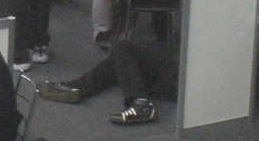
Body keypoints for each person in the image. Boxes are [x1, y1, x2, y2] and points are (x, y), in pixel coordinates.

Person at [38, 39, 177, 125]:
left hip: (182, 77)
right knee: (124, 58)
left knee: (123, 48)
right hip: (182, 70)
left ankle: (141, 102)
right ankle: (78, 87)